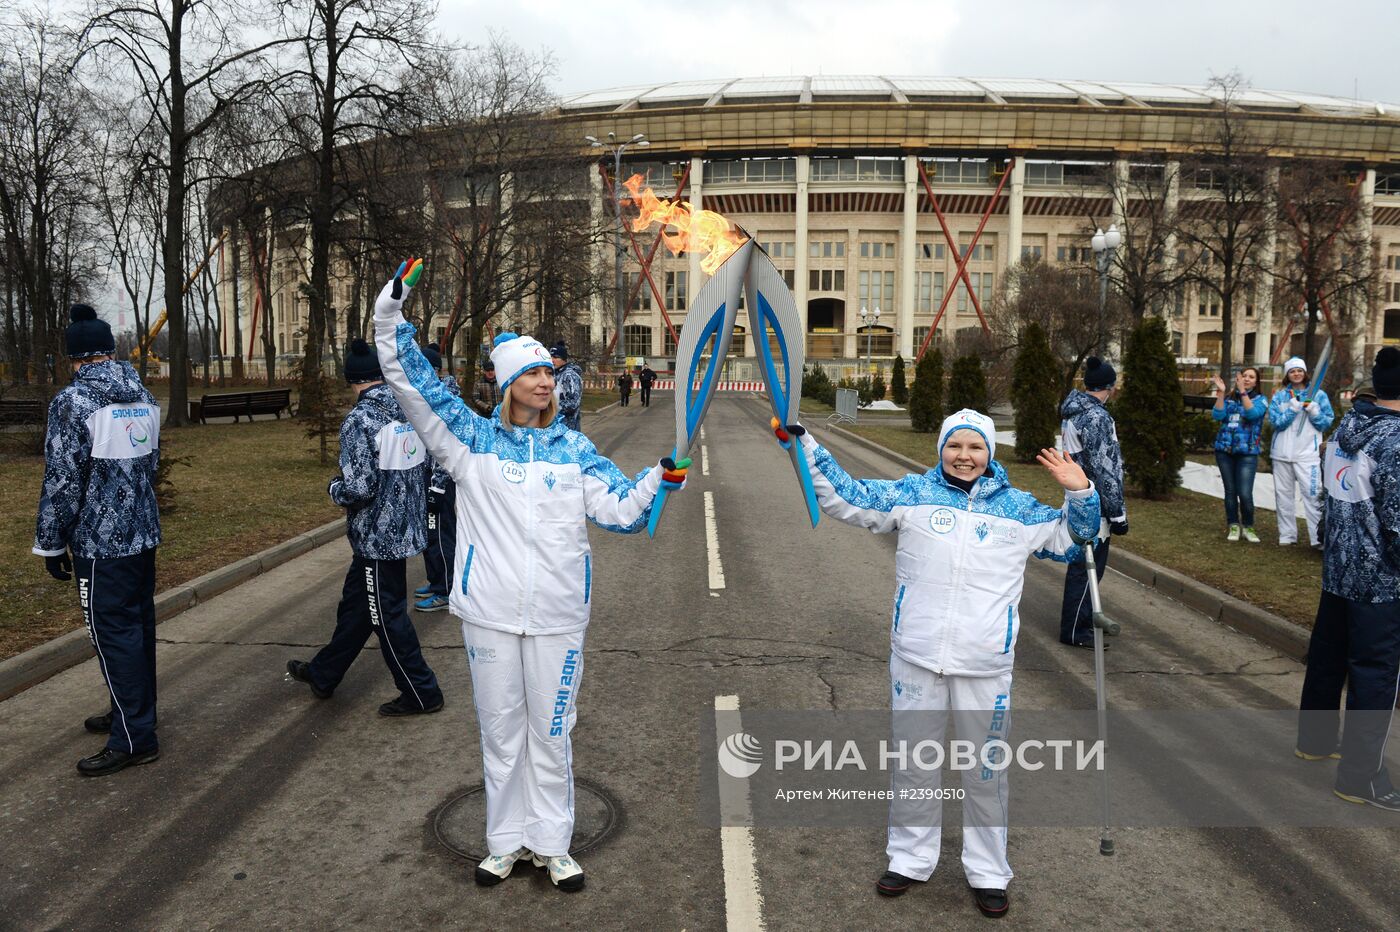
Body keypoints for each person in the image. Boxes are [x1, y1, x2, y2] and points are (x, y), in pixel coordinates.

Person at [372, 259, 689, 892]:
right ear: (509, 381)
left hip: (557, 617)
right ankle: (504, 842)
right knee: (500, 732)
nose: (547, 382)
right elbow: (415, 387)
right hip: (489, 614)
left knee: (551, 732)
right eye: (534, 372)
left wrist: (660, 478)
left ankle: (552, 844)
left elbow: (623, 513)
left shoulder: (575, 451)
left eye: (550, 372)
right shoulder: (469, 442)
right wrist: (391, 315)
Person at [775, 409, 1100, 918]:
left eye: (975, 448)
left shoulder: (1019, 510)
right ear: (942, 448)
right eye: (955, 446)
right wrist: (807, 447)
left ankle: (989, 872)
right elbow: (845, 497)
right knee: (914, 764)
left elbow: (1075, 541)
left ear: (989, 453)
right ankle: (910, 858)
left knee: (986, 774)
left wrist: (1080, 492)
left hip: (985, 664)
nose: (964, 457)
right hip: (917, 656)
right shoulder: (913, 493)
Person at [34, 304, 162, 777]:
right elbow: (149, 465)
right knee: (137, 628)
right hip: (142, 534)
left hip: (101, 543)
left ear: (74, 358)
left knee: (113, 634)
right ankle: (131, 712)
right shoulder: (142, 395)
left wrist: (51, 542)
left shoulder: (74, 403)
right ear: (110, 351)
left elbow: (63, 481)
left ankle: (133, 737)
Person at [286, 339, 444, 718]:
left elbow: (359, 488)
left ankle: (422, 691)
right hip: (404, 527)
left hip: (377, 537)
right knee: (357, 606)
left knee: (385, 615)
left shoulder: (360, 420)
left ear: (351, 379)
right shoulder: (409, 408)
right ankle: (325, 673)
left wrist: (333, 488)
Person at [1296, 347, 1400, 811]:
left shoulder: (1345, 427)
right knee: (1375, 675)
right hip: (1380, 580)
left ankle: (1315, 742)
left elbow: (1330, 497)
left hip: (1339, 570)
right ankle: (1361, 779)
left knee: (1327, 658)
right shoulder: (1395, 441)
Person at [1058, 357, 1128, 648]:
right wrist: (1117, 514)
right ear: (1110, 386)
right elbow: (1104, 468)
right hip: (1093, 500)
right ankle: (1076, 629)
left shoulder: (1075, 411)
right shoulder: (1097, 417)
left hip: (1077, 494)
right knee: (1088, 568)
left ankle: (1080, 622)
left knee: (1084, 566)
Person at [1268, 356, 1334, 549]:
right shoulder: (1280, 396)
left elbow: (1327, 422)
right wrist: (1292, 409)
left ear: (1305, 373)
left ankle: (1318, 538)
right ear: (1287, 375)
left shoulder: (1318, 395)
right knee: (1283, 496)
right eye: (1292, 371)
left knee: (1313, 496)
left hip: (1308, 455)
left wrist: (1314, 412)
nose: (1296, 374)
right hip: (1281, 454)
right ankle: (1287, 535)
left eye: (1299, 370)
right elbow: (1276, 423)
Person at [414, 344, 458, 612]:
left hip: (438, 480)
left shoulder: (443, 401)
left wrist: (437, 486)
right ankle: (435, 580)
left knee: (441, 535)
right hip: (426, 475)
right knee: (429, 534)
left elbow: (446, 447)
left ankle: (445, 590)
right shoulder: (426, 397)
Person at [1211, 367, 1267, 543]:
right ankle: (1233, 524)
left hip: (1247, 454)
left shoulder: (1261, 400)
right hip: (1225, 451)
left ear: (1256, 382)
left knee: (1244, 493)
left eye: (1251, 377)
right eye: (1244, 376)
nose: (1247, 379)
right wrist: (1221, 393)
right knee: (1230, 491)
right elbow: (1217, 415)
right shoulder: (1229, 399)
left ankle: (1248, 526)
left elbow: (1252, 414)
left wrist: (1242, 392)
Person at [550, 341, 583, 432]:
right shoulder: (554, 374)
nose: (552, 360)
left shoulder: (569, 375)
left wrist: (550, 408)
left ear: (564, 359)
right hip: (554, 427)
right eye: (551, 357)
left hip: (568, 429)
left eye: (556, 357)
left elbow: (573, 404)